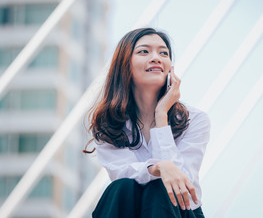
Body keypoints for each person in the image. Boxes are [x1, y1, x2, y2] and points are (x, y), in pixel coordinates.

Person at [84, 27, 211, 218]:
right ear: (124, 65)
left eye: (163, 53)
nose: (156, 57)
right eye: (144, 51)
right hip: (130, 209)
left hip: (180, 212)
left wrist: (161, 116)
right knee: (121, 187)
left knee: (161, 189)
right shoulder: (108, 124)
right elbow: (122, 172)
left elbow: (182, 185)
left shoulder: (196, 120)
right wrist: (159, 167)